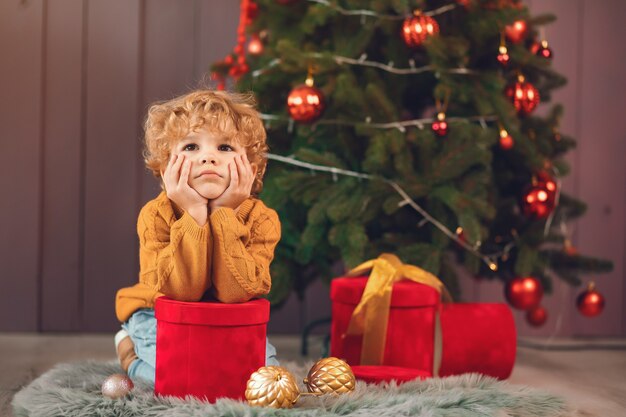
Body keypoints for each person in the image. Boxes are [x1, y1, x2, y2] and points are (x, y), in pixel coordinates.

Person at [114, 90, 281, 383]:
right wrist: (193, 214)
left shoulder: (262, 220)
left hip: (226, 320)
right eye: (191, 146)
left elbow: (236, 293)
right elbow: (183, 292)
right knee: (175, 379)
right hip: (158, 314)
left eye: (225, 148)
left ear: (250, 172)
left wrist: (224, 215)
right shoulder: (156, 215)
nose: (208, 157)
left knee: (261, 378)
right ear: (167, 170)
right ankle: (129, 352)